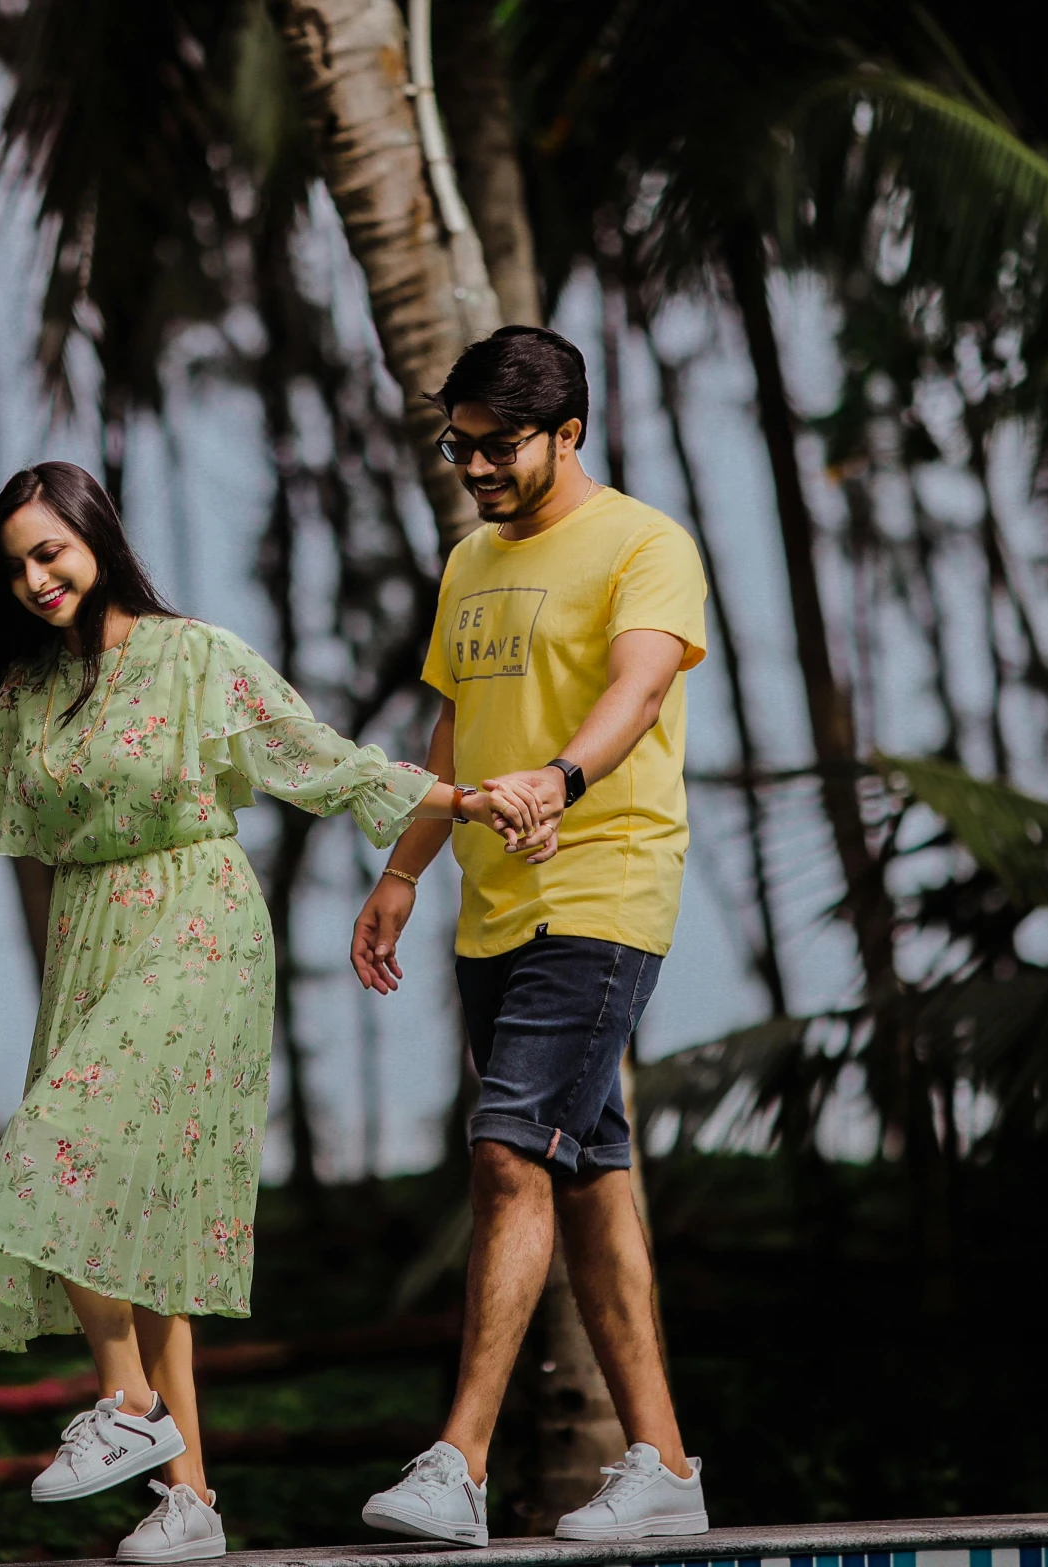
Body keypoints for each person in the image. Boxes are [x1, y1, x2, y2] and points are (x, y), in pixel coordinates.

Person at [0, 461, 544, 1564]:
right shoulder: (24, 697)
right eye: (15, 564)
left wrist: (462, 798)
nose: (34, 578)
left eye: (50, 552)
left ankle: (123, 1407)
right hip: (86, 937)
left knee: (57, 1150)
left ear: (96, 540)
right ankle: (188, 1499)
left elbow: (321, 761)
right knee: (135, 1230)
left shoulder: (193, 656)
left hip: (196, 922)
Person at [349, 326, 712, 1546]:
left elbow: (639, 686)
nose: (477, 467)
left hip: (601, 888)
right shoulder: (466, 563)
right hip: (491, 907)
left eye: (499, 446)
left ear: (568, 432)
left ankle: (458, 1461)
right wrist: (403, 866)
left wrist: (560, 776)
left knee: (509, 1156)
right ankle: (663, 1463)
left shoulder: (646, 543)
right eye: (459, 447)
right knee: (593, 1179)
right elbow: (450, 728)